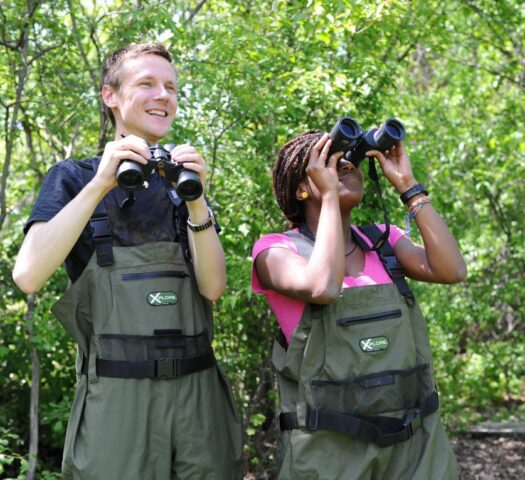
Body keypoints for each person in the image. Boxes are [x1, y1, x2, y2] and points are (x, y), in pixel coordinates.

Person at [13, 43, 243, 480]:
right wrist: (102, 182)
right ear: (110, 96)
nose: (164, 95)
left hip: (198, 404)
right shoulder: (75, 177)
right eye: (147, 84)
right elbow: (28, 275)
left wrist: (197, 202)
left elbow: (213, 288)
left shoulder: (181, 182)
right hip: (115, 405)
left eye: (171, 87)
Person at [251, 129, 467, 479]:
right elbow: (322, 286)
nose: (346, 166)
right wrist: (332, 198)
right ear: (302, 188)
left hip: (414, 447)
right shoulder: (276, 250)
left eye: (350, 162)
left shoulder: (384, 242)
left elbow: (452, 269)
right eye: (331, 163)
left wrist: (409, 186)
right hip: (330, 453)